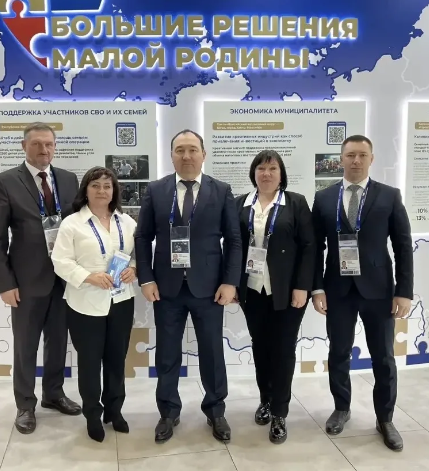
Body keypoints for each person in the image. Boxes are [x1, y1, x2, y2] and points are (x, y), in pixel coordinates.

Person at [134, 129, 242, 444]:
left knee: (212, 352)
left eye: (192, 149)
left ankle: (216, 410)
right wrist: (146, 278)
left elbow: (234, 240)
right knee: (167, 353)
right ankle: (168, 411)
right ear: (171, 155)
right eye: (180, 150)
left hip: (209, 288)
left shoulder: (221, 190)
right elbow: (142, 237)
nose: (186, 156)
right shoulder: (156, 190)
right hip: (166, 288)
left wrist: (230, 282)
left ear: (203, 154)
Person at [311, 134, 413, 452]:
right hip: (337, 290)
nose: (356, 160)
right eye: (350, 155)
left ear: (371, 159)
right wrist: (317, 287)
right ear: (341, 159)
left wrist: (404, 291)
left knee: (383, 357)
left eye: (362, 155)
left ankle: (385, 419)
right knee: (338, 353)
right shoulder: (324, 198)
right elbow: (314, 248)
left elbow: (403, 245)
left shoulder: (389, 196)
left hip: (379, 291)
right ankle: (341, 408)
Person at [0, 122, 82, 435]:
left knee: (58, 341)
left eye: (49, 144)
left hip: (63, 278)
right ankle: (25, 405)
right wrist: (5, 283)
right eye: (37, 144)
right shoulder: (5, 182)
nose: (44, 150)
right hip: (26, 281)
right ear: (24, 146)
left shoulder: (68, 179)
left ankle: (53, 394)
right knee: (25, 345)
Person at [51, 167, 137, 442]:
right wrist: (89, 276)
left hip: (121, 300)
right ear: (85, 190)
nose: (102, 191)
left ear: (114, 191)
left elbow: (138, 254)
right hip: (85, 304)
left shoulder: (127, 222)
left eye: (107, 186)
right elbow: (60, 261)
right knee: (89, 363)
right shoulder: (72, 223)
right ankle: (92, 414)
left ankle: (115, 410)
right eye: (96, 185)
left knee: (116, 359)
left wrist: (134, 269)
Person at [235, 150, 314, 444]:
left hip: (287, 292)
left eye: (272, 168)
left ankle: (280, 412)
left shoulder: (296, 203)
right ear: (253, 173)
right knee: (261, 347)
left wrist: (302, 286)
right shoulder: (240, 204)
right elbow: (233, 247)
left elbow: (309, 247)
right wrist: (233, 284)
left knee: (282, 350)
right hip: (252, 290)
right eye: (261, 168)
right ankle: (265, 400)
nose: (266, 173)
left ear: (281, 174)